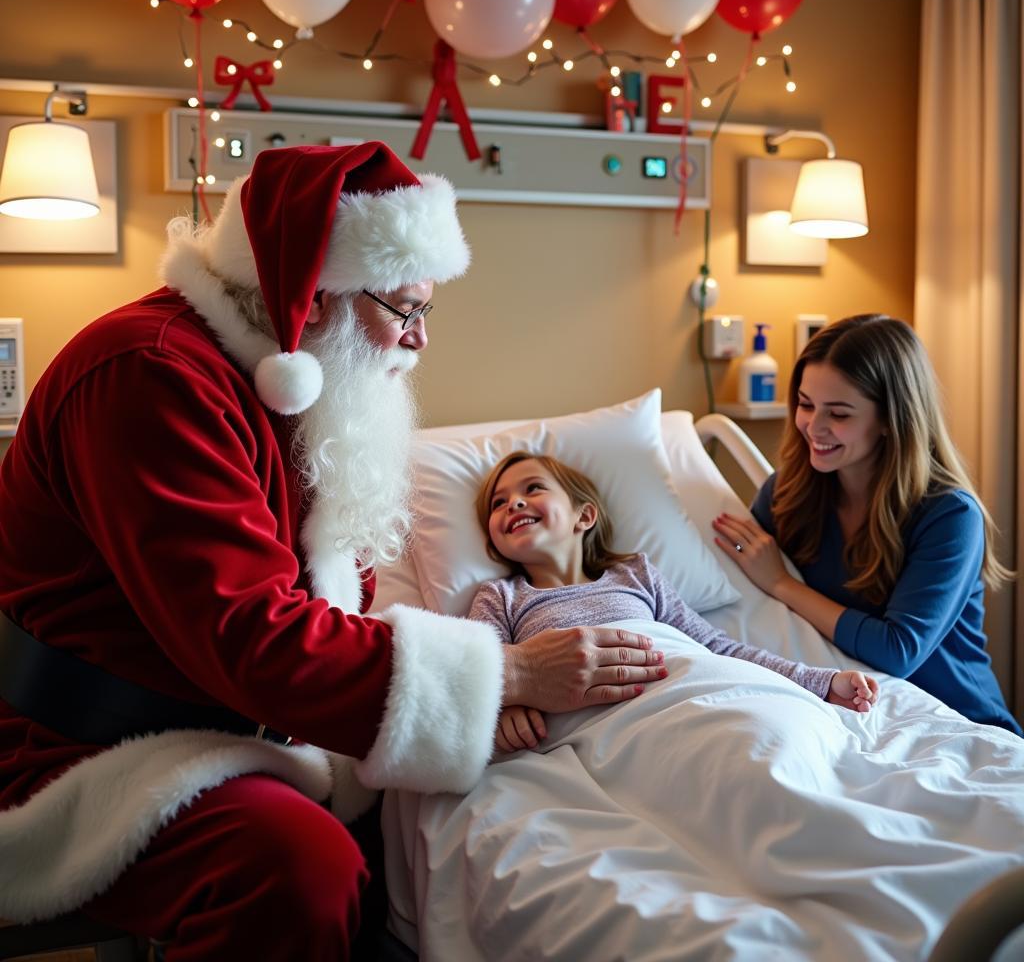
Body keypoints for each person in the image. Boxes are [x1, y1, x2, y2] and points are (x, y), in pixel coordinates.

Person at [0, 142, 669, 960]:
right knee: (300, 871)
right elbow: (248, 631)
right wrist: (511, 673)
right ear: (308, 296)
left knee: (483, 832)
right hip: (99, 751)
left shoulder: (290, 383)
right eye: (404, 308)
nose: (419, 342)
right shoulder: (149, 374)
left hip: (255, 721)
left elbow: (334, 594)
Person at [711, 314, 1021, 736]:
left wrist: (782, 584)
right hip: (850, 715)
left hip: (958, 721)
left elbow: (897, 651)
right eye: (805, 404)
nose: (814, 428)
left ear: (891, 420)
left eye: (838, 413)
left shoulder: (950, 516)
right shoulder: (787, 495)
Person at [469, 451, 879, 753]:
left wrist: (819, 682)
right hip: (614, 736)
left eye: (532, 488)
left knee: (769, 743)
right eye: (498, 503)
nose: (514, 503)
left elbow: (716, 649)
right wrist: (503, 706)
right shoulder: (501, 598)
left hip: (690, 700)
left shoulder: (636, 574)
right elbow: (481, 670)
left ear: (585, 516)